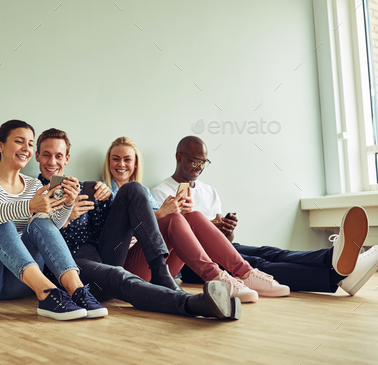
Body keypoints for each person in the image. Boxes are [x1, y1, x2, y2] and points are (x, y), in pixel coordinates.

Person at [35, 128, 241, 320]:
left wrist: (107, 202)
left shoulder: (80, 188)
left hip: (101, 254)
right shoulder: (31, 193)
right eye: (46, 154)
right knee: (118, 275)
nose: (52, 161)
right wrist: (66, 217)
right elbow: (33, 239)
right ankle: (193, 304)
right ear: (38, 156)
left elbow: (102, 230)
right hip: (69, 268)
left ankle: (160, 271)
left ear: (67, 158)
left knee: (134, 188)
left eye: (58, 155)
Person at [151, 135, 376, 296]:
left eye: (204, 162)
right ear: (179, 156)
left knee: (271, 253)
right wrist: (208, 225)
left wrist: (226, 229)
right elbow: (165, 241)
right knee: (259, 263)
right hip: (192, 263)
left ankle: (333, 258)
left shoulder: (209, 191)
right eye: (194, 160)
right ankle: (339, 274)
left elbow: (225, 242)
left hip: (223, 249)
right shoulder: (160, 193)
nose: (199, 167)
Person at [0, 120, 107, 321]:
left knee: (41, 221)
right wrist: (30, 206)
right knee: (0, 220)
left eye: (30, 144)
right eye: (19, 142)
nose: (26, 149)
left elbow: (51, 228)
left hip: (18, 282)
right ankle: (48, 293)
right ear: (0, 145)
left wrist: (68, 203)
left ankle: (77, 290)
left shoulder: (33, 184)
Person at [103, 137, 290, 303]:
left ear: (135, 164)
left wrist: (180, 213)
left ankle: (245, 273)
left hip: (161, 267)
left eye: (127, 159)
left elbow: (158, 232)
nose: (121, 164)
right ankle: (216, 277)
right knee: (173, 218)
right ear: (108, 162)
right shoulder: (102, 191)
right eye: (116, 158)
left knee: (192, 216)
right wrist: (161, 214)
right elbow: (113, 236)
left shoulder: (144, 193)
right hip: (128, 267)